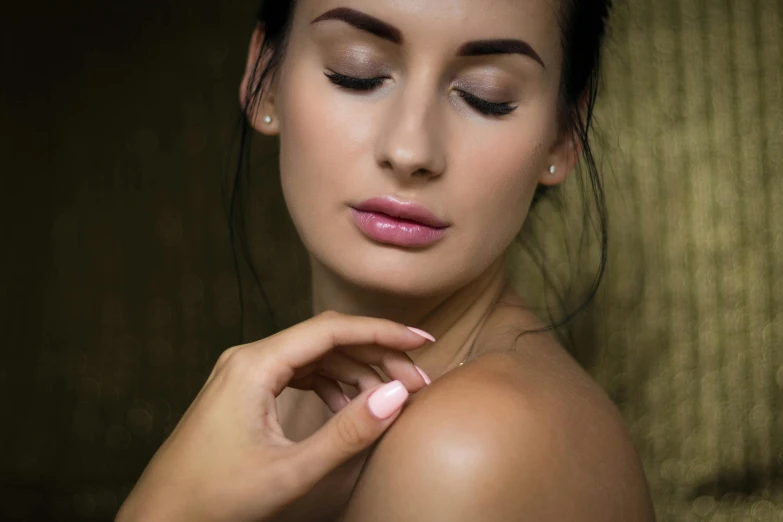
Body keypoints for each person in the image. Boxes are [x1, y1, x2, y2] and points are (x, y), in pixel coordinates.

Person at [120, 0, 657, 520]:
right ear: (264, 74)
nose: (410, 150)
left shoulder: (470, 446)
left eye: (484, 97)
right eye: (357, 72)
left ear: (562, 138)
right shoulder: (276, 406)